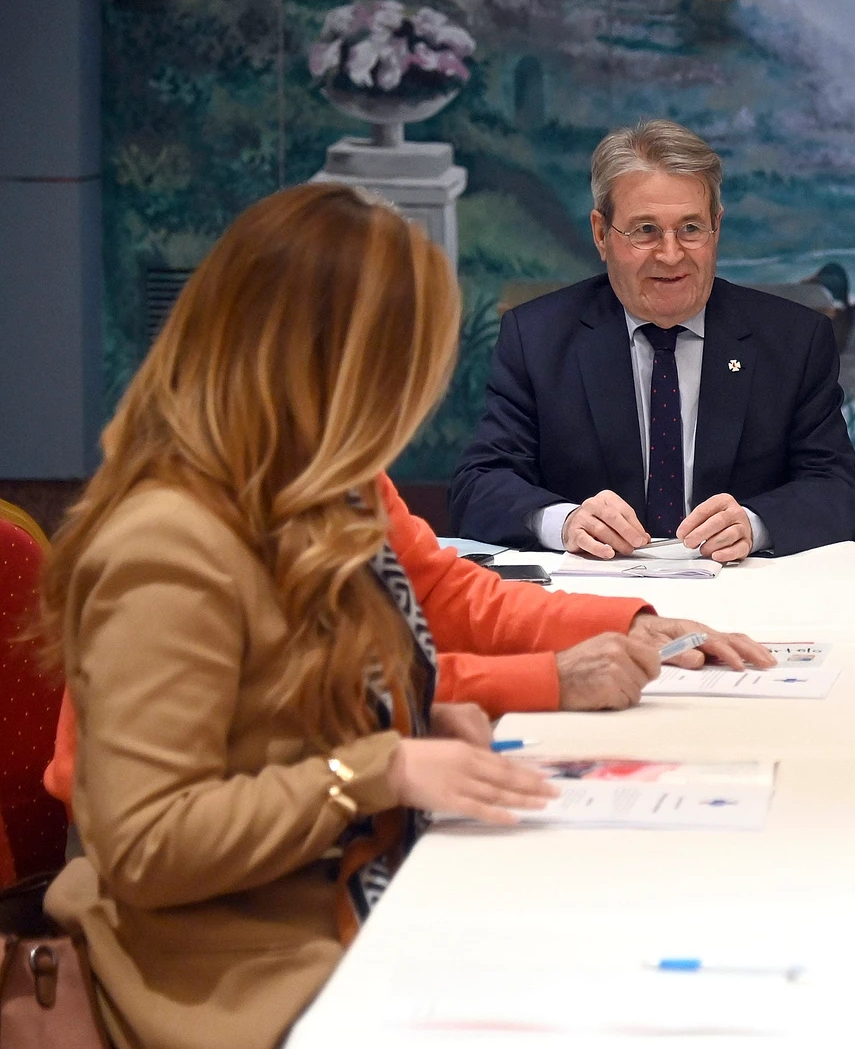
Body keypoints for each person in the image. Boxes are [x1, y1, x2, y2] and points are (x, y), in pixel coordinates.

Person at [38, 184, 566, 1049]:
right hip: (235, 976)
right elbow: (145, 843)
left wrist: (413, 720)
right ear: (336, 371)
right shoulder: (169, 543)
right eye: (404, 369)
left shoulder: (316, 500)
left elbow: (277, 721)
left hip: (340, 912)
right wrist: (379, 769)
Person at [40, 471, 777, 809]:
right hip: (210, 931)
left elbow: (446, 597)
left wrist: (625, 623)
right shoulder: (173, 532)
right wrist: (539, 681)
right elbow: (314, 693)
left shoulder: (333, 464)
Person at [449, 119, 855, 561]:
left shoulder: (793, 342)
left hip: (743, 593)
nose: (670, 254)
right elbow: (479, 485)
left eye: (690, 228)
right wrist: (565, 523)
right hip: (594, 596)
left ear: (715, 228)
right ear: (601, 234)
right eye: (645, 230)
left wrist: (755, 524)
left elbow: (836, 491)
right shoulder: (538, 339)